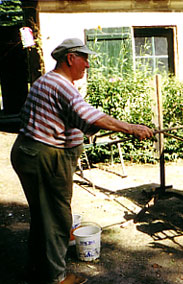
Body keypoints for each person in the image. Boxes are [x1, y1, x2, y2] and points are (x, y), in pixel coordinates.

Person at [10, 38, 153, 284]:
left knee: (43, 216)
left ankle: (37, 270)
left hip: (28, 153)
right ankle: (56, 278)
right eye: (84, 58)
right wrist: (130, 128)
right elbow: (90, 115)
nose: (87, 65)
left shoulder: (45, 81)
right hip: (45, 158)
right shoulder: (62, 85)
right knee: (57, 219)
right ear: (70, 58)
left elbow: (77, 119)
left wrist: (105, 129)